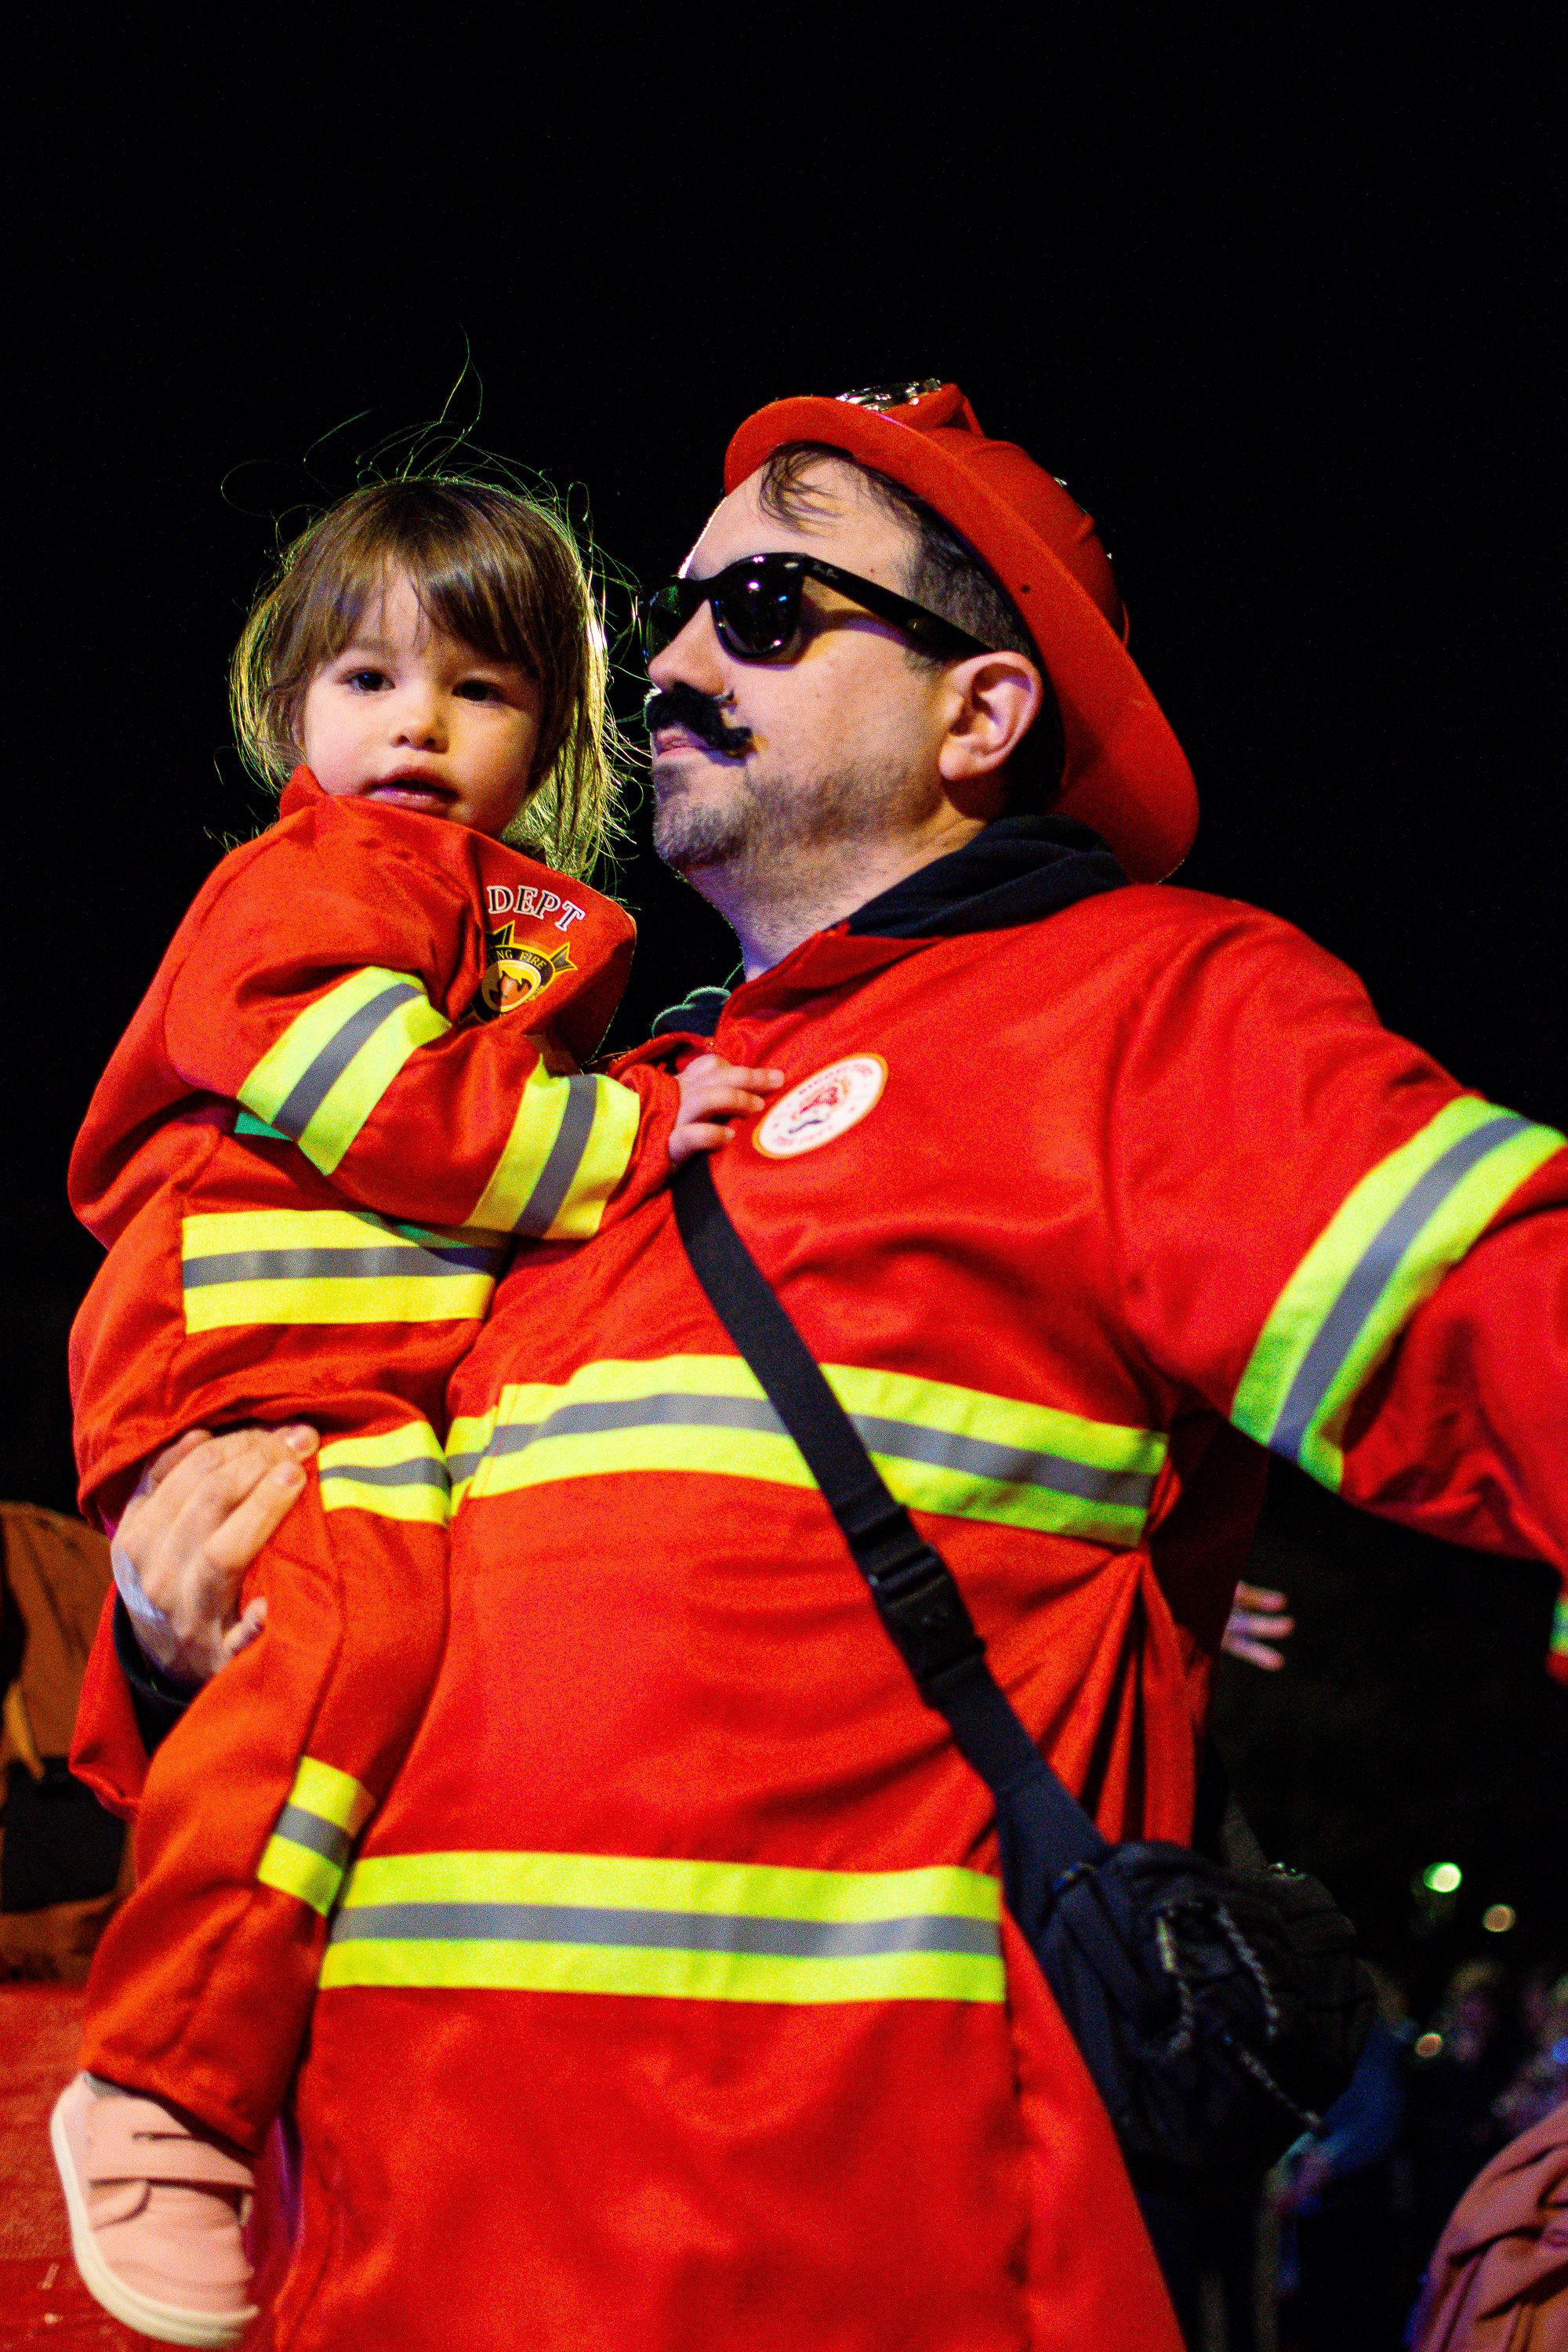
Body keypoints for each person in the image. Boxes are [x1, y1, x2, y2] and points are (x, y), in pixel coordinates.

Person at [77, 382, 1568, 2351]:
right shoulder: (580, 1127)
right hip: (385, 2283)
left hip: (859, 2275)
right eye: (679, 612)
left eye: (770, 606)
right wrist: (180, 1606)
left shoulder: (1141, 1013)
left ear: (981, 715)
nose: (679, 659)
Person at [52, 475, 773, 2347]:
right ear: (287, 708)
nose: (417, 729)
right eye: (367, 680)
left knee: (364, 1657)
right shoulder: (328, 879)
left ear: (556, 732)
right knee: (338, 1640)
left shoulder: (504, 922)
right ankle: (163, 2079)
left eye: (478, 691)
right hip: (259, 1374)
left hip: (350, 1391)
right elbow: (345, 1075)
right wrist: (608, 1135)